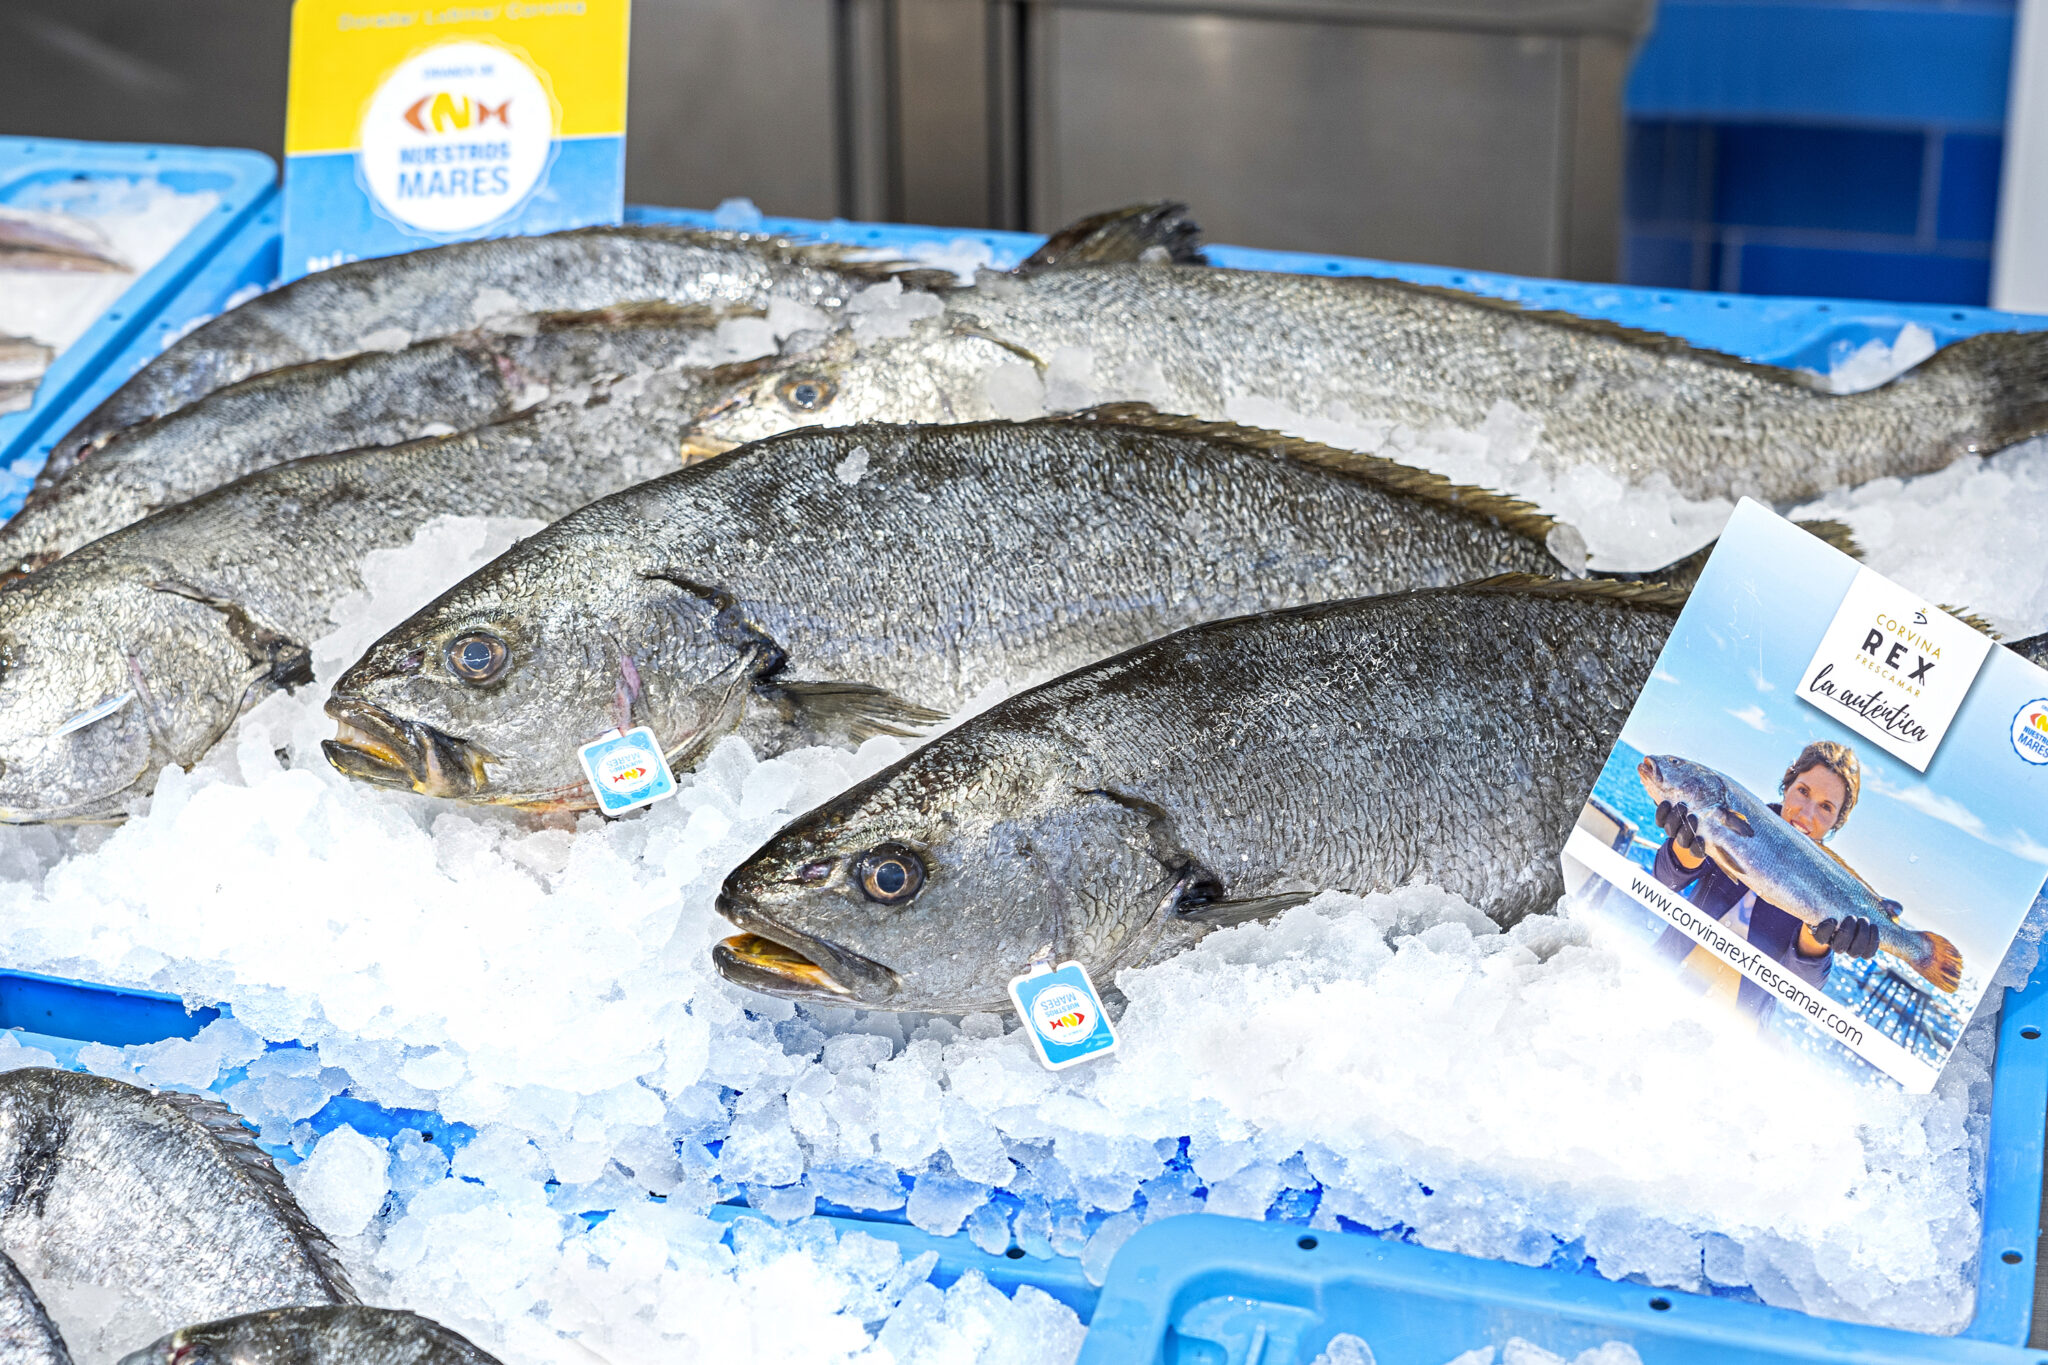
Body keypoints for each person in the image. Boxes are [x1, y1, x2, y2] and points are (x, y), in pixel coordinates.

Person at [1649, 739, 1890, 1025]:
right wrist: (1685, 847)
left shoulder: (1833, 886)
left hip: (1733, 1032)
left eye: (1826, 807)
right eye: (1803, 791)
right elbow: (1665, 879)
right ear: (1787, 785)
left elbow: (1803, 987)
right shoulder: (1732, 817)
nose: (1807, 813)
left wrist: (1820, 938)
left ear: (1837, 821)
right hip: (1659, 980)